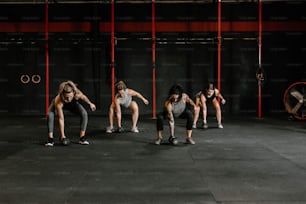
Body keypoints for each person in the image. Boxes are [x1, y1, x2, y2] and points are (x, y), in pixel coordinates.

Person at [45, 80, 96, 146]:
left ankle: (82, 138)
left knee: (84, 113)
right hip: (57, 105)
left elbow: (83, 97)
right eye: (66, 97)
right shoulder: (59, 100)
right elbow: (61, 119)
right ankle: (50, 140)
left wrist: (90, 103)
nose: (68, 99)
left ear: (73, 93)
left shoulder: (77, 93)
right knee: (50, 115)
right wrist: (63, 136)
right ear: (63, 94)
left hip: (72, 105)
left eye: (70, 97)